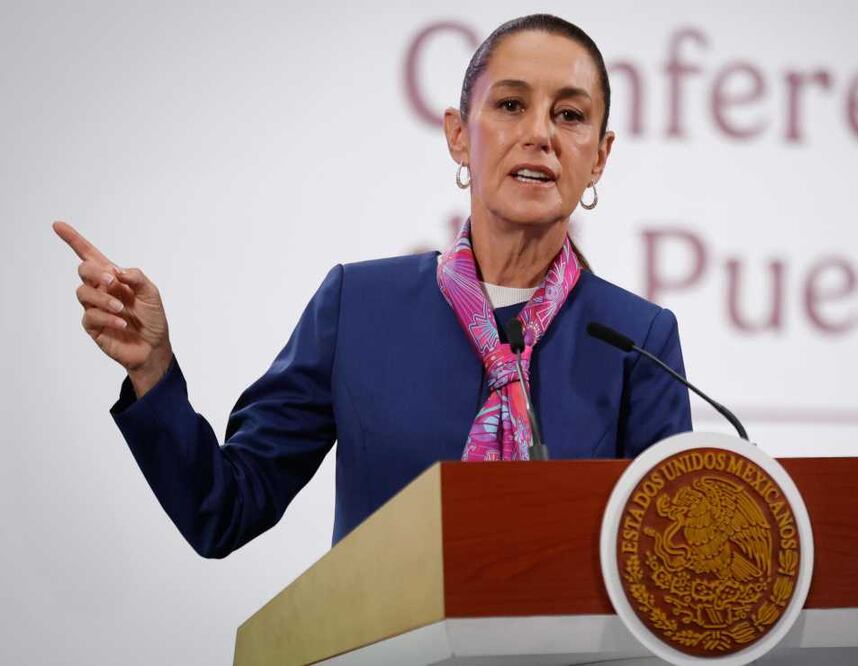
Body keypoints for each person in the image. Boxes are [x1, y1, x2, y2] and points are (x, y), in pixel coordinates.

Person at [53, 14, 692, 559]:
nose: (541, 134)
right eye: (510, 105)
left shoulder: (639, 340)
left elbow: (669, 563)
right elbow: (223, 509)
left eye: (570, 115)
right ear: (457, 136)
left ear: (599, 156)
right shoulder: (358, 308)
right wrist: (154, 372)